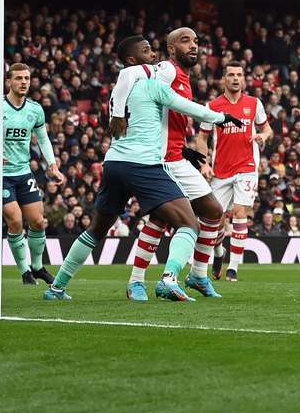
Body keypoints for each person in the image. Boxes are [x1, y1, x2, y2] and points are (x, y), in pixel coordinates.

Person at [44, 36, 240, 301]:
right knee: (189, 224)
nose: (153, 55)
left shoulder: (122, 91)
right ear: (132, 60)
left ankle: (56, 288)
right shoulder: (152, 83)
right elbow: (191, 109)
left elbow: (127, 88)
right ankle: (168, 279)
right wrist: (222, 117)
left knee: (96, 230)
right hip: (144, 165)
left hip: (114, 164)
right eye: (146, 51)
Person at [111, 27, 229, 300]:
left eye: (196, 41)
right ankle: (137, 281)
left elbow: (166, 113)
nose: (193, 45)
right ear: (172, 48)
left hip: (176, 155)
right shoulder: (166, 69)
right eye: (185, 41)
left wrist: (183, 147)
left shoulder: (183, 76)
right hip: (161, 159)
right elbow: (131, 78)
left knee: (213, 211)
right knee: (162, 218)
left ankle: (197, 275)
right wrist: (118, 114)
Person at [0, 63, 66, 285]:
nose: (23, 82)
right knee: (15, 221)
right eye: (18, 78)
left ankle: (38, 267)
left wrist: (52, 165)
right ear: (8, 82)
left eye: (26, 78)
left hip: (24, 173)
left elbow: (43, 139)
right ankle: (25, 271)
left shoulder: (35, 109)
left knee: (38, 221)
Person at [199, 63, 272, 282]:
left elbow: (267, 128)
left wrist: (263, 136)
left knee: (240, 212)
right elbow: (202, 138)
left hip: (247, 167)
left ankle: (233, 268)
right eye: (231, 74)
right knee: (215, 220)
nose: (235, 78)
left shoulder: (254, 103)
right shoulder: (212, 106)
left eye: (239, 75)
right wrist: (204, 164)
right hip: (220, 171)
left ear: (243, 79)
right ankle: (219, 252)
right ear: (224, 79)